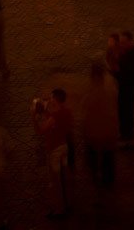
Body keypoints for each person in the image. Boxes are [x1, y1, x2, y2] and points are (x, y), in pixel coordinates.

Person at [33, 87, 74, 217]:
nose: (50, 100)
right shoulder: (67, 112)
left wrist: (33, 117)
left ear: (56, 99)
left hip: (54, 150)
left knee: (55, 181)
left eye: (51, 98)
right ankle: (68, 204)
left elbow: (41, 130)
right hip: (64, 147)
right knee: (64, 178)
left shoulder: (55, 116)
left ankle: (59, 210)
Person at [80, 60, 118, 190]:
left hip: (94, 129)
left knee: (93, 155)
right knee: (108, 156)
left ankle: (96, 177)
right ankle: (108, 180)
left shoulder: (91, 87)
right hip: (108, 128)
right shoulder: (110, 83)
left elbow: (85, 104)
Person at [109, 30, 134, 146]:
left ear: (130, 42)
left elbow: (126, 74)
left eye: (123, 42)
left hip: (128, 90)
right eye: (120, 42)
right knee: (123, 112)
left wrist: (115, 71)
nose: (120, 45)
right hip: (124, 88)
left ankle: (128, 137)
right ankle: (125, 134)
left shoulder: (133, 54)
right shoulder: (128, 51)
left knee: (127, 113)